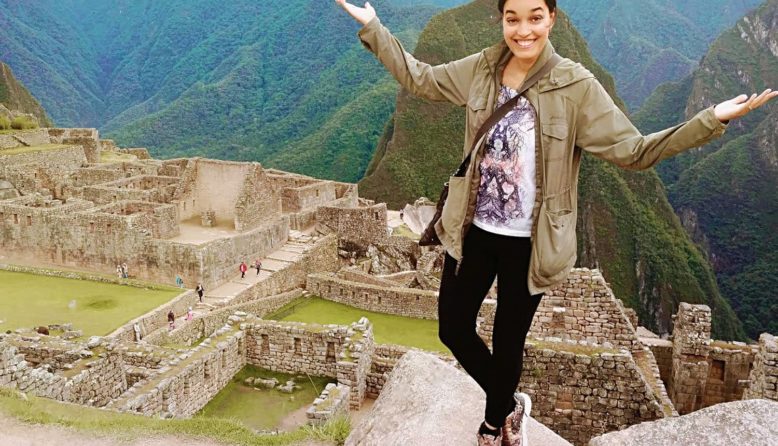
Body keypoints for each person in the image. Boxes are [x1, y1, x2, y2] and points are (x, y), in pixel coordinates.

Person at [335, 0, 776, 444]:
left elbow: (636, 151)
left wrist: (709, 120)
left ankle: (494, 428)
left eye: (534, 17)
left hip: (531, 243)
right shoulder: (483, 69)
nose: (523, 30)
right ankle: (509, 405)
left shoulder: (575, 85)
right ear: (501, 21)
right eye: (513, 19)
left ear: (552, 18)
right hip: (473, 230)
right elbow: (421, 78)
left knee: (509, 341)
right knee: (452, 327)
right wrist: (374, 26)